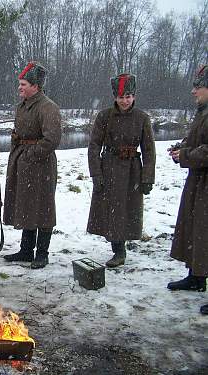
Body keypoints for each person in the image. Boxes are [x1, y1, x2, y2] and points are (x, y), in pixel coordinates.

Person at [87, 73, 156, 268]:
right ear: (115, 97)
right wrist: (96, 174)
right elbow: (94, 147)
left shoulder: (142, 118)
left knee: (126, 209)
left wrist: (147, 177)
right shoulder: (104, 116)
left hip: (132, 170)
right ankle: (117, 248)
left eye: (128, 96)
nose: (124, 101)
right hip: (109, 168)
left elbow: (149, 150)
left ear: (133, 96)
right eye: (120, 97)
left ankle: (121, 249)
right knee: (112, 211)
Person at [3, 62, 61, 269]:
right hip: (23, 162)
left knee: (43, 209)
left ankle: (42, 253)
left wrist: (30, 154)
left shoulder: (48, 107)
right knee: (26, 205)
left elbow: (52, 139)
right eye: (19, 83)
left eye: (23, 84)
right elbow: (18, 133)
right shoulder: (21, 106)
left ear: (35, 86)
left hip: (42, 165)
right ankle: (26, 250)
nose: (19, 87)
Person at [167, 64, 208, 315]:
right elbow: (198, 141)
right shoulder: (202, 112)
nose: (193, 91)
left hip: (205, 181)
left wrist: (186, 154)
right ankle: (197, 276)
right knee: (196, 230)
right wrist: (181, 148)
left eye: (198, 87)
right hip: (198, 181)